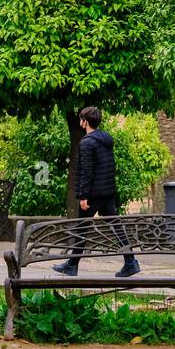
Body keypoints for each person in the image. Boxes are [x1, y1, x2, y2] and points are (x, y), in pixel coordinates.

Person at [53, 106, 140, 277]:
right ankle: (130, 261)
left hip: (93, 194)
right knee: (116, 226)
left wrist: (84, 196)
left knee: (81, 228)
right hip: (106, 192)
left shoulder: (87, 142)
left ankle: (72, 265)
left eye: (81, 119)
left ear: (85, 122)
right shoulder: (105, 139)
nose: (79, 122)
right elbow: (108, 166)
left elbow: (87, 171)